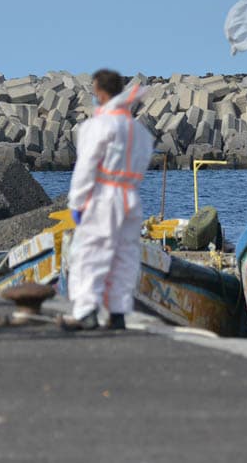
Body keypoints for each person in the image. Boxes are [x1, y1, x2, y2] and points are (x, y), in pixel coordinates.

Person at [61, 69, 154, 331]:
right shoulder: (139, 132)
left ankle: (86, 311)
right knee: (125, 256)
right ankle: (118, 312)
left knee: (90, 254)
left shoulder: (98, 126)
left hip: (104, 196)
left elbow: (86, 167)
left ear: (100, 92)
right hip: (131, 197)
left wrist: (77, 203)